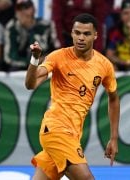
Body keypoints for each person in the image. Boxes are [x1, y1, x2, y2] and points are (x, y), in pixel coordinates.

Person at [25, 13, 120, 179]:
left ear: (95, 35)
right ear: (72, 33)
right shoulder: (58, 57)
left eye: (86, 34)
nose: (81, 38)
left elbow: (113, 98)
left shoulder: (104, 65)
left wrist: (113, 138)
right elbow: (30, 84)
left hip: (74, 134)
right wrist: (35, 59)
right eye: (77, 33)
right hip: (57, 129)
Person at [4, 0, 55, 71]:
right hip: (20, 67)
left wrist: (32, 30)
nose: (23, 12)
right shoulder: (12, 27)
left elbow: (55, 49)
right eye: (20, 9)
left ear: (34, 9)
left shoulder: (46, 26)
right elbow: (9, 57)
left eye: (27, 8)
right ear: (16, 12)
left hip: (43, 65)